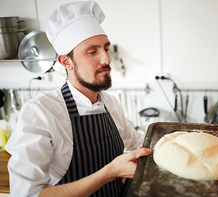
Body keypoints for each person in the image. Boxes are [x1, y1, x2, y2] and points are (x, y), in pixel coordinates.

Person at [5, 1, 151, 197]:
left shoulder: (110, 104)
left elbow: (139, 145)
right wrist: (110, 173)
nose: (106, 59)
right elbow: (29, 195)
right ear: (66, 62)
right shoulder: (41, 113)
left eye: (106, 48)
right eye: (92, 51)